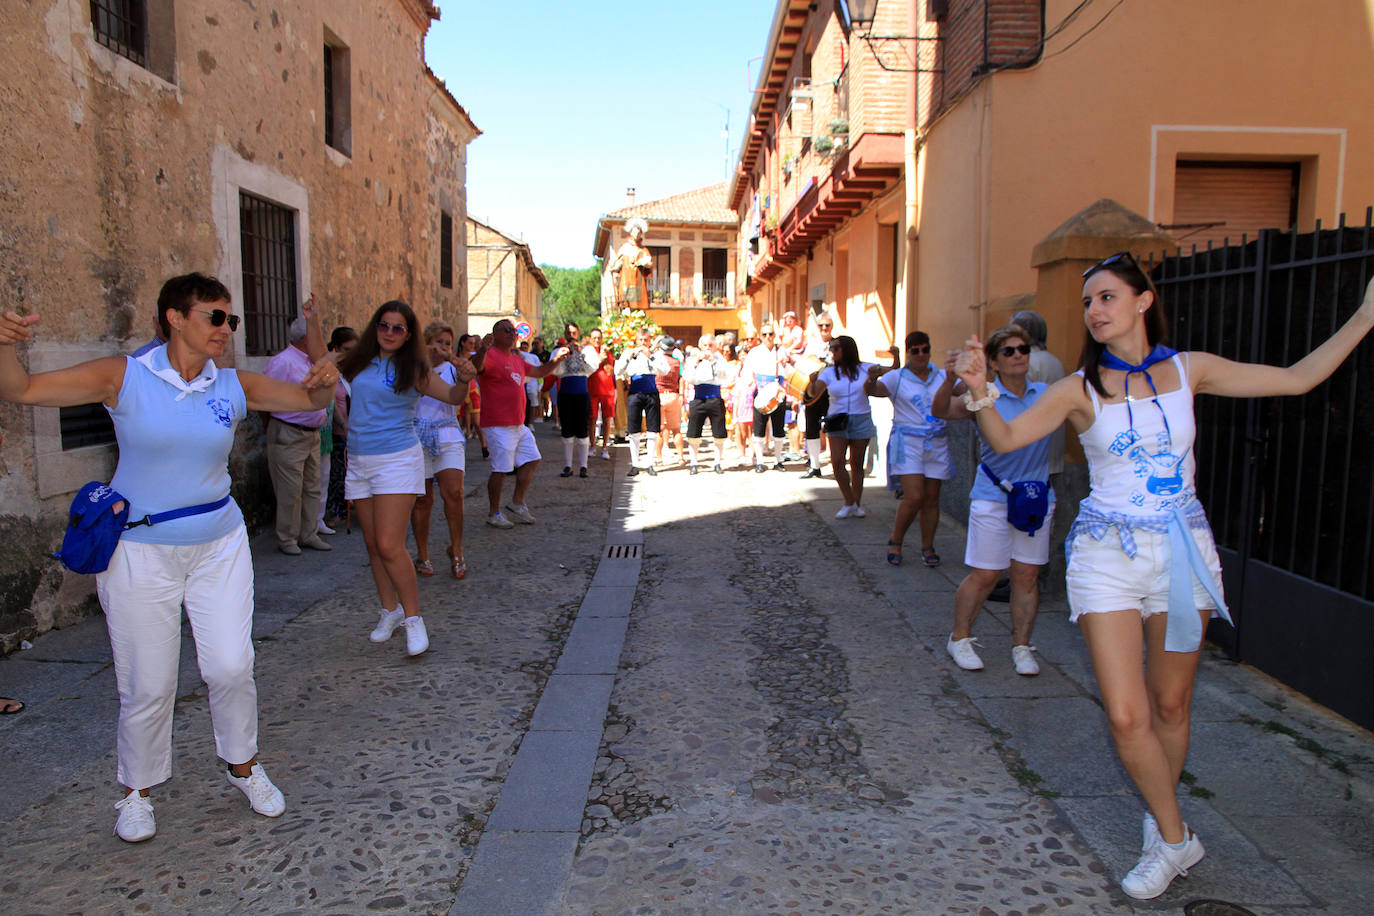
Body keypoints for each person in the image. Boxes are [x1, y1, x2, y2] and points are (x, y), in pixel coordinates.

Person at [953, 255, 1374, 900]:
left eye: (1107, 297)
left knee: (1171, 703)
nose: (1094, 310)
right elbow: (1006, 439)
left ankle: (1160, 826)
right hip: (1105, 556)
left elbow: (1296, 379)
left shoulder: (1189, 370)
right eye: (1088, 300)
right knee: (1126, 716)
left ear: (1144, 302)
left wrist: (1366, 317)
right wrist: (981, 387)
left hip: (1182, 551)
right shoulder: (1078, 388)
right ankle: (1179, 838)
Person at [0, 272, 339, 842]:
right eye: (214, 316)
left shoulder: (231, 384)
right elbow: (23, 390)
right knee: (148, 683)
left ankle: (243, 765)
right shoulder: (124, 376)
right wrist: (4, 343)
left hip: (219, 545)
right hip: (140, 551)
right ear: (174, 318)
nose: (225, 329)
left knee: (231, 665)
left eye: (230, 319)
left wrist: (325, 379)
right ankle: (136, 790)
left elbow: (309, 400)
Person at [337, 301, 473, 657]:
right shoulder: (359, 362)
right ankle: (390, 610)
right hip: (359, 459)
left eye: (398, 328)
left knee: (389, 544)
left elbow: (452, 397)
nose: (390, 333)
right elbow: (321, 363)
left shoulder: (413, 369)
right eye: (384, 325)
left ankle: (414, 619)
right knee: (372, 544)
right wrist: (312, 320)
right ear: (375, 327)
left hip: (396, 458)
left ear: (408, 333)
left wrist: (463, 380)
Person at [934, 325, 1054, 678]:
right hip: (994, 495)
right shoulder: (983, 395)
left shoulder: (1046, 394)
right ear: (995, 362)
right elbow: (941, 410)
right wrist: (947, 380)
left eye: (1024, 349)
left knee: (1026, 575)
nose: (1019, 355)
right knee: (986, 574)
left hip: (1036, 496)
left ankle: (1021, 645)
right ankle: (960, 637)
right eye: (1009, 351)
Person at [866, 330, 955, 566]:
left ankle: (928, 546)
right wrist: (870, 378)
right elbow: (873, 391)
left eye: (925, 349)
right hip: (908, 442)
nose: (921, 355)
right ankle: (896, 539)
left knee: (932, 498)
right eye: (915, 351)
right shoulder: (898, 377)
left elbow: (965, 391)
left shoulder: (941, 376)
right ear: (908, 353)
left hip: (936, 441)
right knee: (914, 496)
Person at [470, 318, 566, 527]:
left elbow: (539, 372)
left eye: (514, 331)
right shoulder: (490, 355)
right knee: (501, 469)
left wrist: (557, 359)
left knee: (532, 459)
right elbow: (475, 368)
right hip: (497, 423)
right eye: (507, 330)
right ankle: (493, 513)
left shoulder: (516, 358)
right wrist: (482, 350)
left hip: (517, 423)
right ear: (495, 334)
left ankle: (517, 502)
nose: (513, 334)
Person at [261, 311, 331, 555]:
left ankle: (308, 533)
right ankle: (287, 538)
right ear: (305, 338)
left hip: (312, 433)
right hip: (289, 432)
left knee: (312, 486)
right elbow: (265, 399)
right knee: (290, 490)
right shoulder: (283, 362)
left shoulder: (313, 361)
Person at [409, 321, 468, 580]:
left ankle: (456, 550)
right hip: (415, 435)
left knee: (453, 492)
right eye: (439, 342)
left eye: (448, 343)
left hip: (447, 433)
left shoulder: (453, 369)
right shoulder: (412, 367)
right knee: (422, 499)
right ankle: (422, 553)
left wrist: (455, 361)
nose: (443, 347)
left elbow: (470, 376)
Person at [806, 336, 890, 516]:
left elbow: (893, 370)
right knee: (837, 462)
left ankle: (856, 504)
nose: (833, 352)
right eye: (832, 348)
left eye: (836, 348)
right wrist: (812, 382)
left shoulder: (866, 368)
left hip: (861, 418)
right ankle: (849, 501)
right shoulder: (828, 372)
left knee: (857, 464)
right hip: (837, 419)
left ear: (847, 349)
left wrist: (896, 356)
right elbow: (814, 393)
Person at [614, 326, 670, 477]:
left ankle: (650, 463)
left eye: (646, 340)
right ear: (636, 340)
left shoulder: (656, 354)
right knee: (634, 431)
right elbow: (617, 371)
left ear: (650, 340)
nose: (643, 342)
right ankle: (634, 464)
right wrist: (628, 357)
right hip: (635, 392)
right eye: (640, 340)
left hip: (651, 392)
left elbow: (665, 370)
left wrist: (650, 355)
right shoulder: (629, 353)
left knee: (652, 430)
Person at [321, 326, 357, 531]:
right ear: (335, 348)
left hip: (355, 430)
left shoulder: (353, 373)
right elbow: (331, 402)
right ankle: (337, 511)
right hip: (337, 431)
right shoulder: (330, 372)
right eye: (346, 349)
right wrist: (343, 424)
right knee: (337, 473)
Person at [550, 323, 597, 478]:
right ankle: (568, 465)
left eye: (574, 333)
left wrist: (580, 353)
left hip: (581, 391)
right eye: (568, 333)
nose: (571, 335)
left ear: (578, 333)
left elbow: (591, 369)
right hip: (565, 392)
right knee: (567, 430)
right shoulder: (558, 351)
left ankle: (584, 466)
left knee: (582, 429)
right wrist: (562, 357)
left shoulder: (587, 350)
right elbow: (555, 371)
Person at [745, 324, 791, 472]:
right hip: (762, 391)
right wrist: (750, 383)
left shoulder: (781, 351)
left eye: (770, 334)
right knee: (759, 428)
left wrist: (787, 362)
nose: (768, 338)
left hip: (778, 392)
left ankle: (778, 461)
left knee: (779, 428)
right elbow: (747, 371)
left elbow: (789, 371)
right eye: (764, 335)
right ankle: (759, 461)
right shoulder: (754, 352)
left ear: (774, 335)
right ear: (760, 336)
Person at [683, 334, 730, 474]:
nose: (708, 348)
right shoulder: (693, 360)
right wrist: (697, 363)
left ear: (715, 347)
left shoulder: (720, 360)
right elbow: (688, 377)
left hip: (715, 397)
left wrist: (713, 362)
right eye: (705, 345)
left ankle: (717, 462)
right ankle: (694, 462)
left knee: (719, 433)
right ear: (701, 346)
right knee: (693, 433)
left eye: (711, 345)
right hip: (698, 397)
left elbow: (725, 376)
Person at [799, 314, 837, 477]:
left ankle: (837, 464)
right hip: (814, 390)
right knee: (811, 427)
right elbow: (804, 365)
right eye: (821, 325)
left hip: (832, 391)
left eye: (827, 325)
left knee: (834, 427)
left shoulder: (837, 344)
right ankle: (814, 466)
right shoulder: (812, 345)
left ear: (831, 326)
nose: (824, 328)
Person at [653, 336, 685, 467]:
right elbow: (681, 378)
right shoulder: (676, 363)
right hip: (673, 395)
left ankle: (659, 458)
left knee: (659, 429)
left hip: (659, 394)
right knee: (676, 429)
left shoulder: (657, 361)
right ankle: (681, 457)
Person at [610, 217, 653, 309]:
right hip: (626, 281)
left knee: (638, 305)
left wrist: (643, 263)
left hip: (638, 281)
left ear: (641, 234)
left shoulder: (643, 250)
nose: (636, 234)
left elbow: (650, 264)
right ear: (630, 232)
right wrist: (614, 268)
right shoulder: (625, 247)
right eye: (634, 232)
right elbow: (617, 263)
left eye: (638, 232)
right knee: (625, 304)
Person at [586, 327, 616, 459]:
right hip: (592, 389)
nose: (597, 340)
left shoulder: (607, 353)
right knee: (591, 418)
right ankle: (592, 445)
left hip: (607, 390)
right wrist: (598, 359)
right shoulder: (588, 352)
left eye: (599, 338)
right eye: (594, 338)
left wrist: (604, 358)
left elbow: (610, 371)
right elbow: (587, 369)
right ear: (590, 339)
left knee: (607, 419)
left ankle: (604, 447)